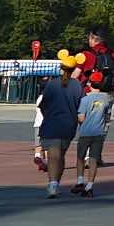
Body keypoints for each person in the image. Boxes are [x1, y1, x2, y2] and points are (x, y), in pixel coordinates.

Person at [36, 57, 85, 199]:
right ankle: (56, 183)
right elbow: (81, 107)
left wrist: (48, 115)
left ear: (61, 68)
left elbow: (43, 105)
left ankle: (52, 184)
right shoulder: (77, 86)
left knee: (52, 156)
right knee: (60, 155)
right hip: (68, 124)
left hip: (51, 123)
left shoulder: (52, 84)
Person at [73, 70, 114, 195]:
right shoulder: (107, 99)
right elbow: (107, 116)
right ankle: (90, 185)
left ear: (90, 83)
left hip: (86, 131)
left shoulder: (85, 99)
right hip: (99, 132)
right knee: (93, 159)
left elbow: (81, 117)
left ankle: (80, 181)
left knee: (80, 157)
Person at [84, 28, 114, 104]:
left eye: (89, 38)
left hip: (91, 91)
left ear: (93, 38)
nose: (88, 40)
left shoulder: (88, 54)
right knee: (105, 114)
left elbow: (83, 75)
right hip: (110, 93)